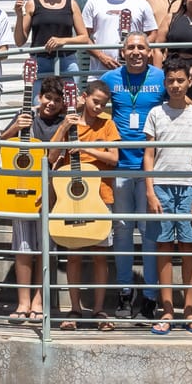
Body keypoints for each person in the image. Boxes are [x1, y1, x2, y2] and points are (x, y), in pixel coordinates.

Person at [144, 57, 192, 335]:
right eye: (170, 80)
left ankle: (189, 309)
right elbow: (149, 155)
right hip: (160, 186)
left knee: (188, 247)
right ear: (164, 83)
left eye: (180, 80)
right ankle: (167, 309)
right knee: (163, 247)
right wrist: (149, 190)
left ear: (189, 82)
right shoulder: (155, 113)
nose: (175, 85)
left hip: (188, 188)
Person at [101, 31, 166, 319]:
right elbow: (91, 106)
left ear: (150, 52)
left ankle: (151, 296)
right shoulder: (111, 79)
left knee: (150, 233)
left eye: (142, 47)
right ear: (123, 51)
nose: (136, 51)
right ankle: (125, 292)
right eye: (131, 47)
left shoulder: (161, 78)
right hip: (121, 168)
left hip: (151, 168)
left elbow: (182, 106)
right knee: (123, 232)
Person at [53, 80, 122, 331]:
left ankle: (99, 310)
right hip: (71, 200)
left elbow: (114, 158)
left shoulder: (108, 125)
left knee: (100, 256)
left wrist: (85, 148)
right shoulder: (70, 124)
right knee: (73, 255)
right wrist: (63, 129)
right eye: (95, 101)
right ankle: (74, 309)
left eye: (104, 104)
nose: (99, 107)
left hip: (101, 196)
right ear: (83, 97)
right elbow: (50, 158)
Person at [3, 76, 69, 323]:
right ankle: (22, 302)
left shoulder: (65, 123)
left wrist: (62, 130)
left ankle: (39, 302)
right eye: (47, 98)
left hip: (50, 192)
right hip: (21, 190)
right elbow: (0, 145)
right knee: (22, 248)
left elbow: (51, 158)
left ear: (64, 103)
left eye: (57, 100)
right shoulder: (26, 115)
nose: (51, 103)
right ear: (39, 97)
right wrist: (13, 128)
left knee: (45, 249)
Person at [16, 0, 91, 79]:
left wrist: (63, 41)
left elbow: (84, 38)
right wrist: (19, 16)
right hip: (40, 62)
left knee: (69, 98)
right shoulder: (32, 4)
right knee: (38, 99)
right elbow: (19, 41)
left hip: (67, 61)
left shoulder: (72, 5)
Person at [83, 0, 156, 72]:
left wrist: (137, 52)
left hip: (134, 72)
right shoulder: (93, 3)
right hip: (100, 72)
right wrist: (102, 57)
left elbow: (152, 34)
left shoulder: (142, 4)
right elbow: (84, 37)